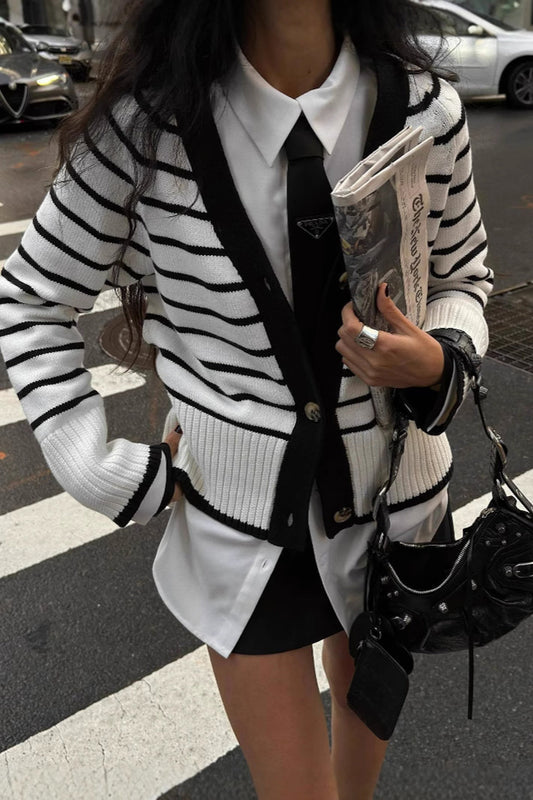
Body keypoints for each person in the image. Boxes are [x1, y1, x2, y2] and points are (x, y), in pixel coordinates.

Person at [0, 1, 493, 797]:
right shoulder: (145, 128)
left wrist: (439, 361)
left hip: (393, 514)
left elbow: (461, 276)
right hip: (243, 529)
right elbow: (30, 298)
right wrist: (93, 466)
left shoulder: (424, 109)